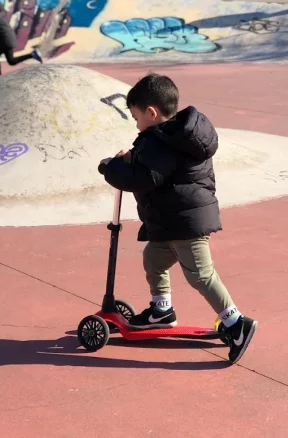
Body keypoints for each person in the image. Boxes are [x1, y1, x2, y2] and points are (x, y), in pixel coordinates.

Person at [97, 74, 257, 364]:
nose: (136, 125)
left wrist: (111, 169)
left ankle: (236, 323)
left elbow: (147, 177)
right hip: (174, 220)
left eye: (135, 118)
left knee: (201, 274)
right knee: (154, 259)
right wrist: (133, 157)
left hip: (184, 223)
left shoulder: (159, 141)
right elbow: (160, 166)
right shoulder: (176, 135)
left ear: (151, 113)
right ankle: (162, 311)